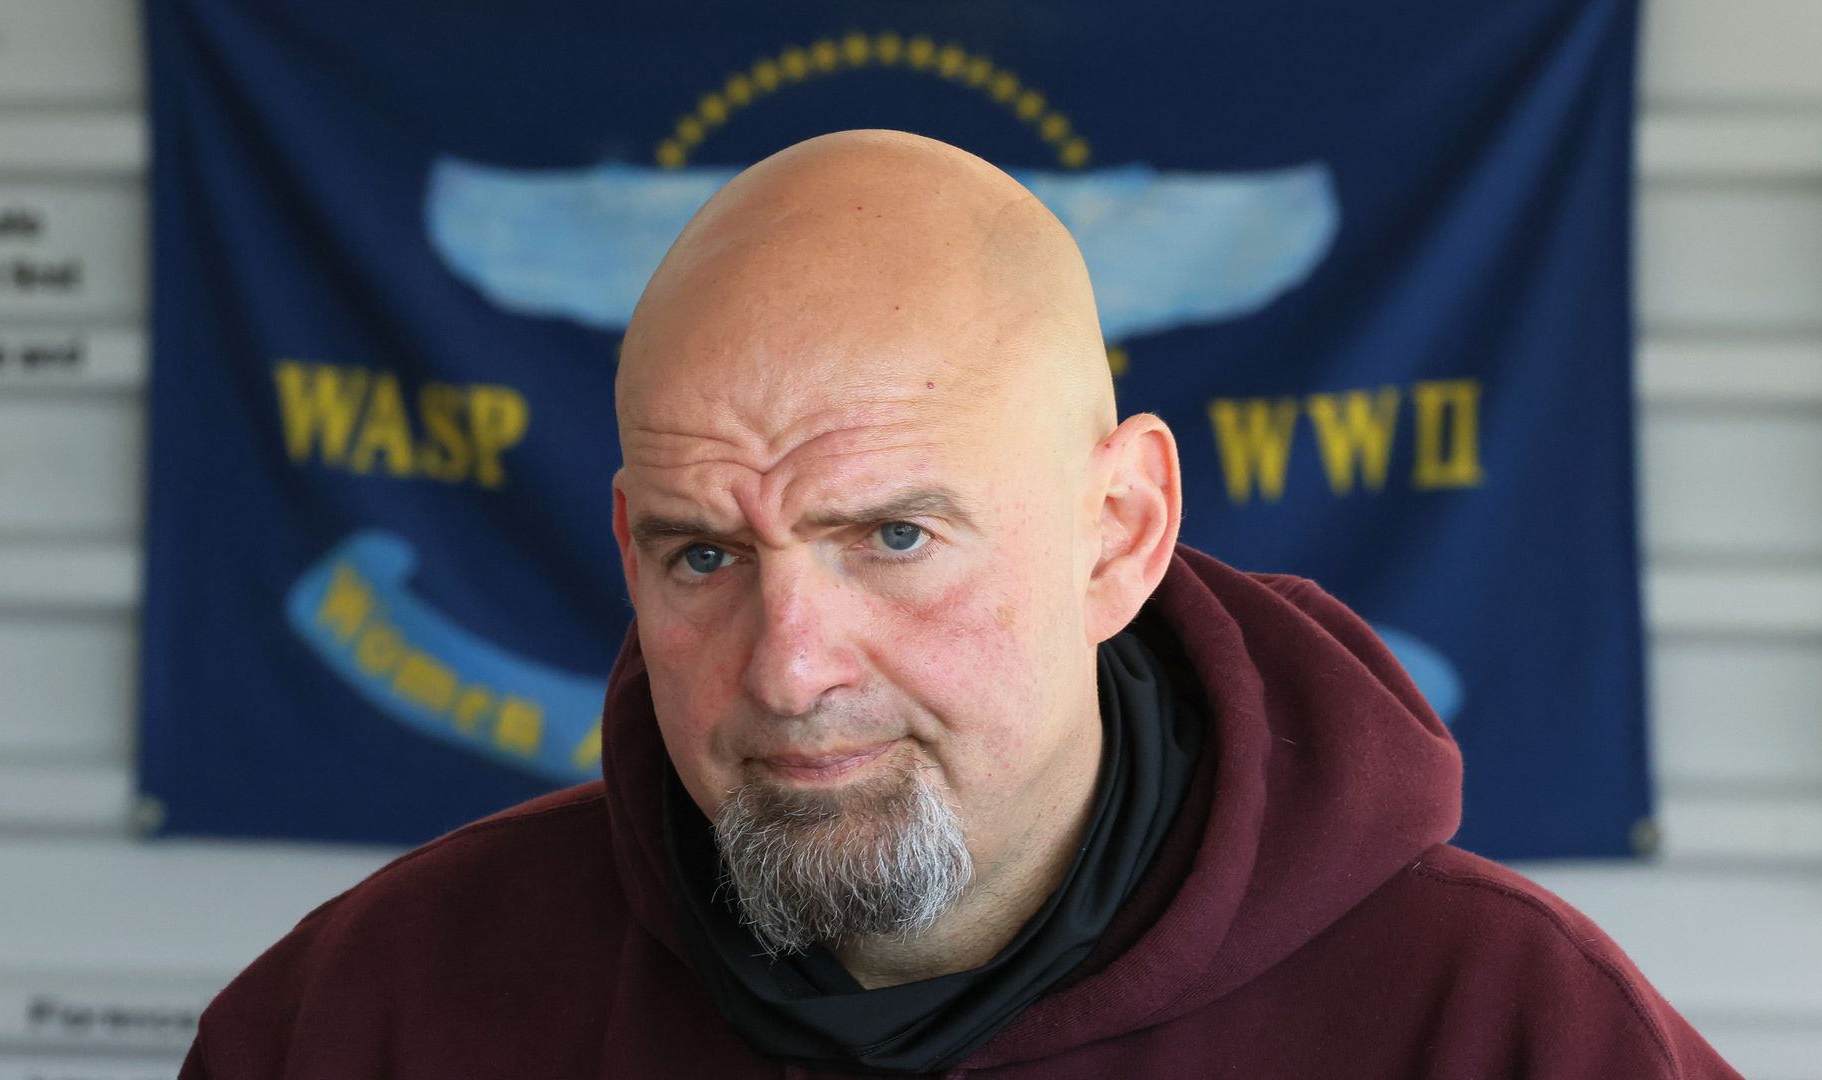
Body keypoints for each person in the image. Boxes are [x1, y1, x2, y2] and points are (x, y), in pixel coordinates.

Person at [183, 130, 1740, 1078]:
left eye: (894, 536)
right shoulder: (364, 1020)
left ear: (1119, 534)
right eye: (703, 556)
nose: (789, 672)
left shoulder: (1509, 1034)